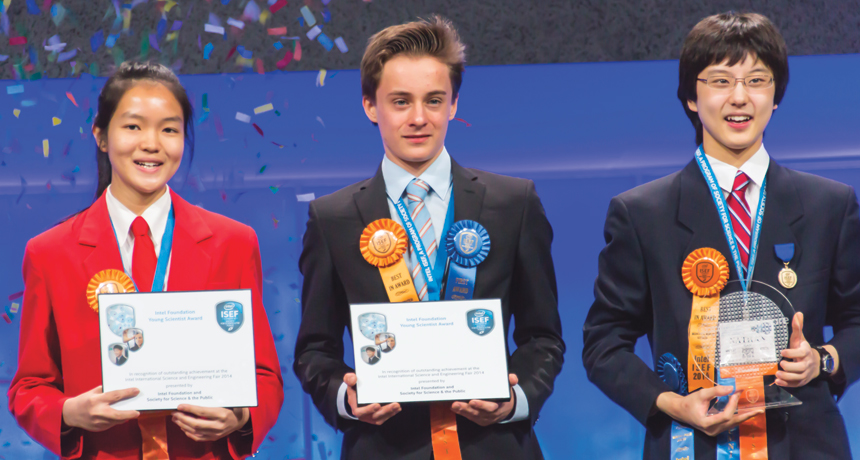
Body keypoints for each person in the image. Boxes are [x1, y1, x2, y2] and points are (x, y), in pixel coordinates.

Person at [582, 12, 859, 459]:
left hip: (805, 443)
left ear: (776, 96)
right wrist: (670, 403)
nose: (740, 97)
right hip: (692, 442)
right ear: (691, 97)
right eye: (720, 81)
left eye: (757, 80)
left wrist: (823, 359)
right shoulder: (642, 213)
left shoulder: (829, 204)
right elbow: (603, 343)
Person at [294, 16, 565, 460]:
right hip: (383, 447)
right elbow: (314, 349)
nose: (419, 118)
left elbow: (543, 337)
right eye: (400, 101)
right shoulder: (332, 218)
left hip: (493, 446)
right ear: (370, 106)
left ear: (453, 104)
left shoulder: (514, 202)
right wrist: (346, 397)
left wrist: (515, 399)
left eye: (434, 100)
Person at [8, 61, 284, 459]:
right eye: (133, 126)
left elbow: (265, 375)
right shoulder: (50, 253)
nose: (152, 144)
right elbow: (29, 387)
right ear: (101, 136)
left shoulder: (233, 243)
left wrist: (240, 416)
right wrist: (69, 412)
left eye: (169, 129)